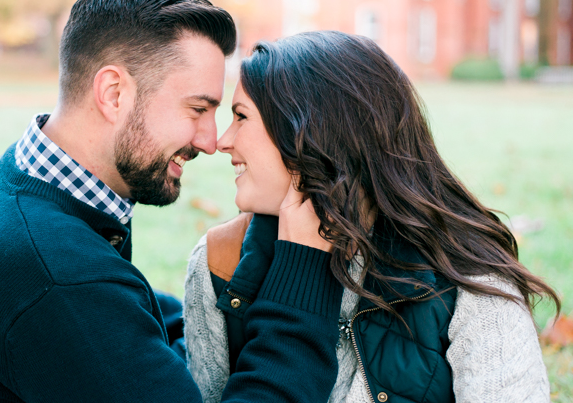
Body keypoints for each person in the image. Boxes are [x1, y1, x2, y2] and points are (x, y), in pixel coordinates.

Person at [0, 0, 345, 402]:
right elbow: (87, 304)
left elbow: (117, 317)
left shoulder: (21, 181)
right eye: (197, 109)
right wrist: (304, 276)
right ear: (114, 94)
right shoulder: (59, 278)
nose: (210, 141)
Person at [184, 30, 560, 403]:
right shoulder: (221, 263)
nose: (221, 141)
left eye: (241, 117)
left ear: (310, 131)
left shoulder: (466, 272)